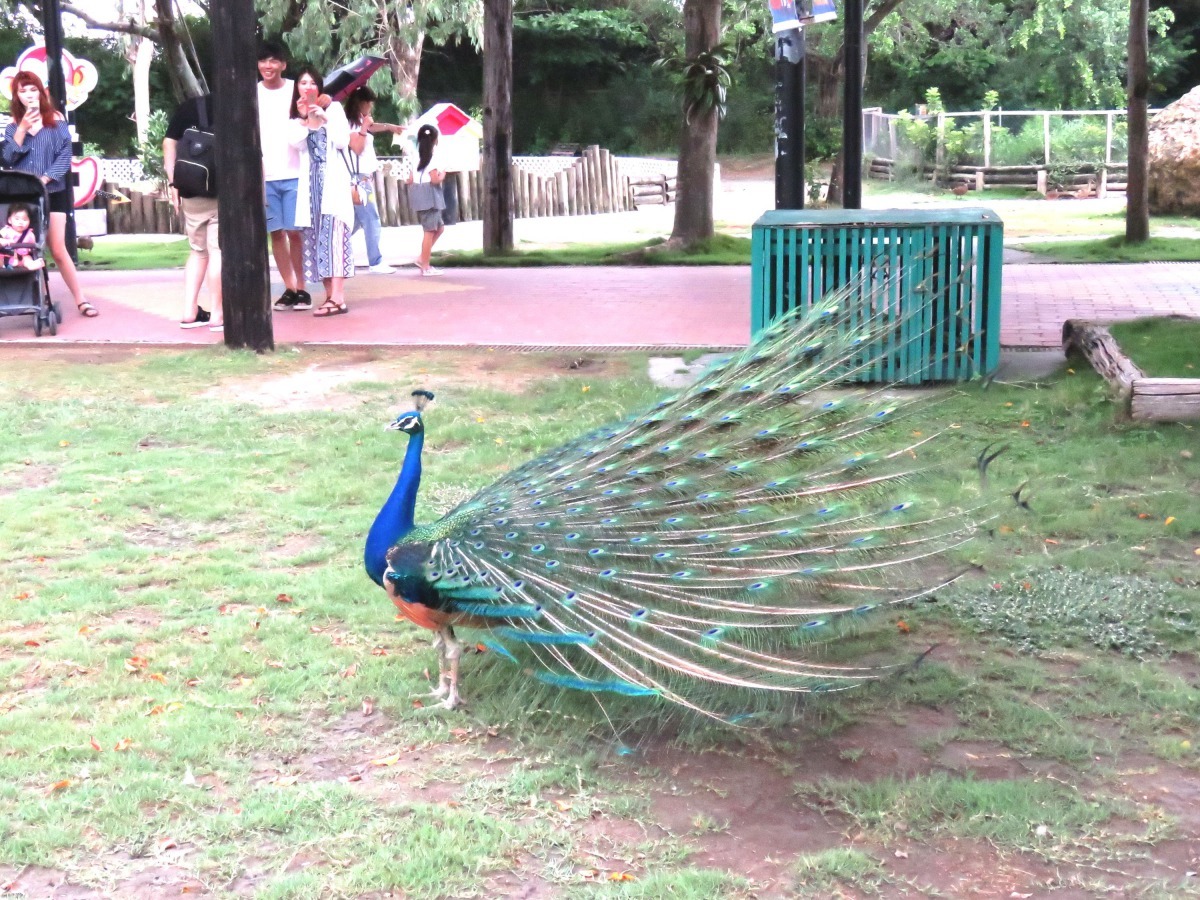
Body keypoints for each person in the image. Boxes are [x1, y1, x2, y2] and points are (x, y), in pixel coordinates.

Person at [0, 71, 96, 317]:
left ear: (40, 92)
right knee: (24, 246)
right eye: (23, 91)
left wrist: (44, 180)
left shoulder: (56, 121)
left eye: (33, 89)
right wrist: (22, 128)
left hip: (53, 191)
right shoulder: (12, 127)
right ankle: (35, 300)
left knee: (57, 247)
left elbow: (65, 157)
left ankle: (81, 300)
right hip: (25, 197)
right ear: (16, 96)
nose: (29, 95)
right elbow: (8, 159)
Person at [287, 66, 354, 317]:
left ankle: (338, 298)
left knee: (335, 238)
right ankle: (329, 296)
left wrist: (323, 117)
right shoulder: (297, 118)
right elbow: (295, 142)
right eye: (302, 83)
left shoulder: (333, 109)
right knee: (317, 240)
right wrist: (306, 119)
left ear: (320, 87)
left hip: (332, 186)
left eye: (312, 83)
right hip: (311, 188)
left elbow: (342, 141)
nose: (307, 87)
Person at [257, 40, 311, 311]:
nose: (268, 66)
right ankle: (289, 287)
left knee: (295, 233)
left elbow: (317, 105)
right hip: (265, 176)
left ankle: (303, 288)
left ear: (283, 65)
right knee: (276, 233)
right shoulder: (252, 93)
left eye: (274, 60)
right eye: (264, 61)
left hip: (294, 173)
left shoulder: (294, 89)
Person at [163, 93, 222, 332]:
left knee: (198, 251)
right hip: (220, 190)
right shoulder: (235, 107)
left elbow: (169, 142)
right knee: (218, 250)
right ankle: (218, 313)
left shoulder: (190, 106)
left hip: (190, 188)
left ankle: (189, 312)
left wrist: (173, 181)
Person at [343, 86, 402, 274]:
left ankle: (334, 246)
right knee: (371, 219)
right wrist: (363, 127)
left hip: (364, 177)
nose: (371, 107)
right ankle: (375, 261)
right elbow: (357, 147)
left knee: (356, 221)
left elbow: (371, 127)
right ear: (362, 103)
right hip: (359, 179)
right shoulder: (352, 123)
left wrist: (388, 127)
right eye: (369, 103)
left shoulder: (360, 121)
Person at [409, 124, 445, 277]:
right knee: (430, 231)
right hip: (430, 194)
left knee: (439, 228)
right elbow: (435, 180)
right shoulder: (432, 156)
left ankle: (422, 258)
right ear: (434, 140)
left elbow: (410, 179)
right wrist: (443, 174)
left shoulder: (414, 155)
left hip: (418, 192)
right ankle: (425, 265)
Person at [0, 203, 45, 270]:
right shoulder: (6, 230)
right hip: (7, 256)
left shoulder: (30, 234)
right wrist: (5, 241)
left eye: (24, 220)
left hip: (23, 257)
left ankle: (32, 265)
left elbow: (34, 247)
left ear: (29, 221)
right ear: (10, 220)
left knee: (28, 259)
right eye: (17, 219)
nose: (21, 222)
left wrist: (32, 249)